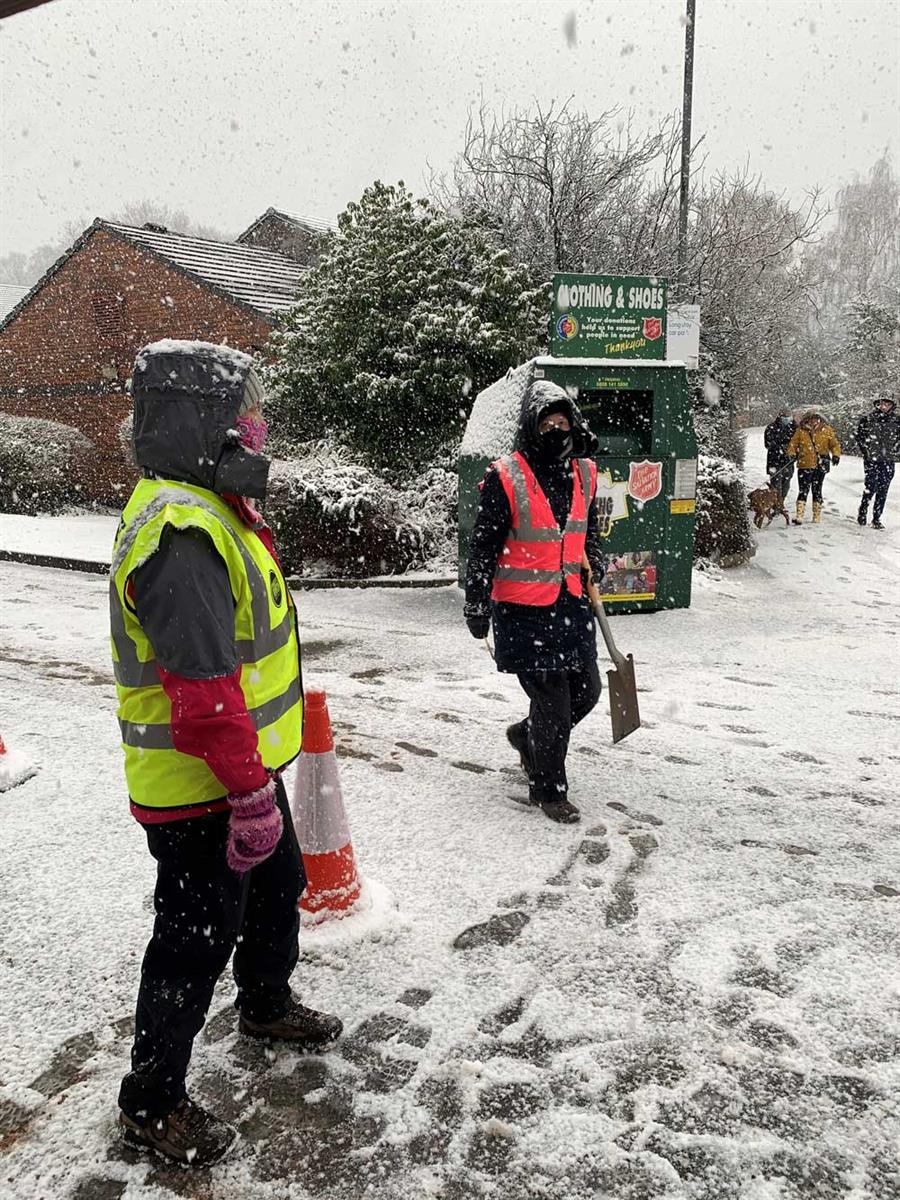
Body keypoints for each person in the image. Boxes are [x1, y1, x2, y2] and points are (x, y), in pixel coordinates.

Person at [110, 341, 342, 1167]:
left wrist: (255, 782)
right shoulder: (184, 534)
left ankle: (266, 1002)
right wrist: (247, 793)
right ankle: (151, 1102)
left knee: (277, 890)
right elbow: (204, 696)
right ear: (199, 424)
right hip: (202, 787)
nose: (257, 428)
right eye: (241, 415)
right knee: (194, 937)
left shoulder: (208, 506)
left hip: (242, 774)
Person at [464, 380, 608, 825]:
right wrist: (476, 602)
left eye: (563, 421)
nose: (556, 429)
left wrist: (596, 563)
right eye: (547, 421)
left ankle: (527, 738)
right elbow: (484, 545)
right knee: (553, 703)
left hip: (570, 605)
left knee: (587, 692)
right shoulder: (505, 475)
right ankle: (548, 788)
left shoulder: (584, 472)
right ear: (531, 425)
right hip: (524, 611)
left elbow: (589, 533)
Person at [785, 408, 841, 525]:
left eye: (815, 419)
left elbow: (834, 444)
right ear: (807, 420)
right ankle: (799, 515)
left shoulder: (827, 430)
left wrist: (836, 454)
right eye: (811, 419)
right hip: (805, 464)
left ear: (819, 419)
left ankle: (816, 516)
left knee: (817, 490)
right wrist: (791, 454)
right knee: (803, 490)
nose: (813, 421)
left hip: (821, 465)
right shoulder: (801, 431)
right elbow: (793, 444)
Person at [857, 395, 899, 529]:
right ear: (877, 404)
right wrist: (866, 451)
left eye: (888, 404)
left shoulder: (897, 420)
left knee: (883, 489)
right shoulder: (868, 419)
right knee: (871, 486)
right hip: (872, 459)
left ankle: (876, 517)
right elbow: (860, 437)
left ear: (892, 405)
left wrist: (896, 449)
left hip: (888, 460)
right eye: (882, 404)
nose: (885, 407)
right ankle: (863, 509)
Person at [763, 408, 796, 500]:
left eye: (788, 416)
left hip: (788, 461)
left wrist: (793, 453)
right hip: (774, 461)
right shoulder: (771, 427)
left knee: (786, 484)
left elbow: (798, 443)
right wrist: (779, 447)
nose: (786, 418)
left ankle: (781, 502)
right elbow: (767, 444)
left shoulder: (794, 428)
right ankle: (776, 505)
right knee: (775, 485)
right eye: (784, 416)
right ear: (780, 416)